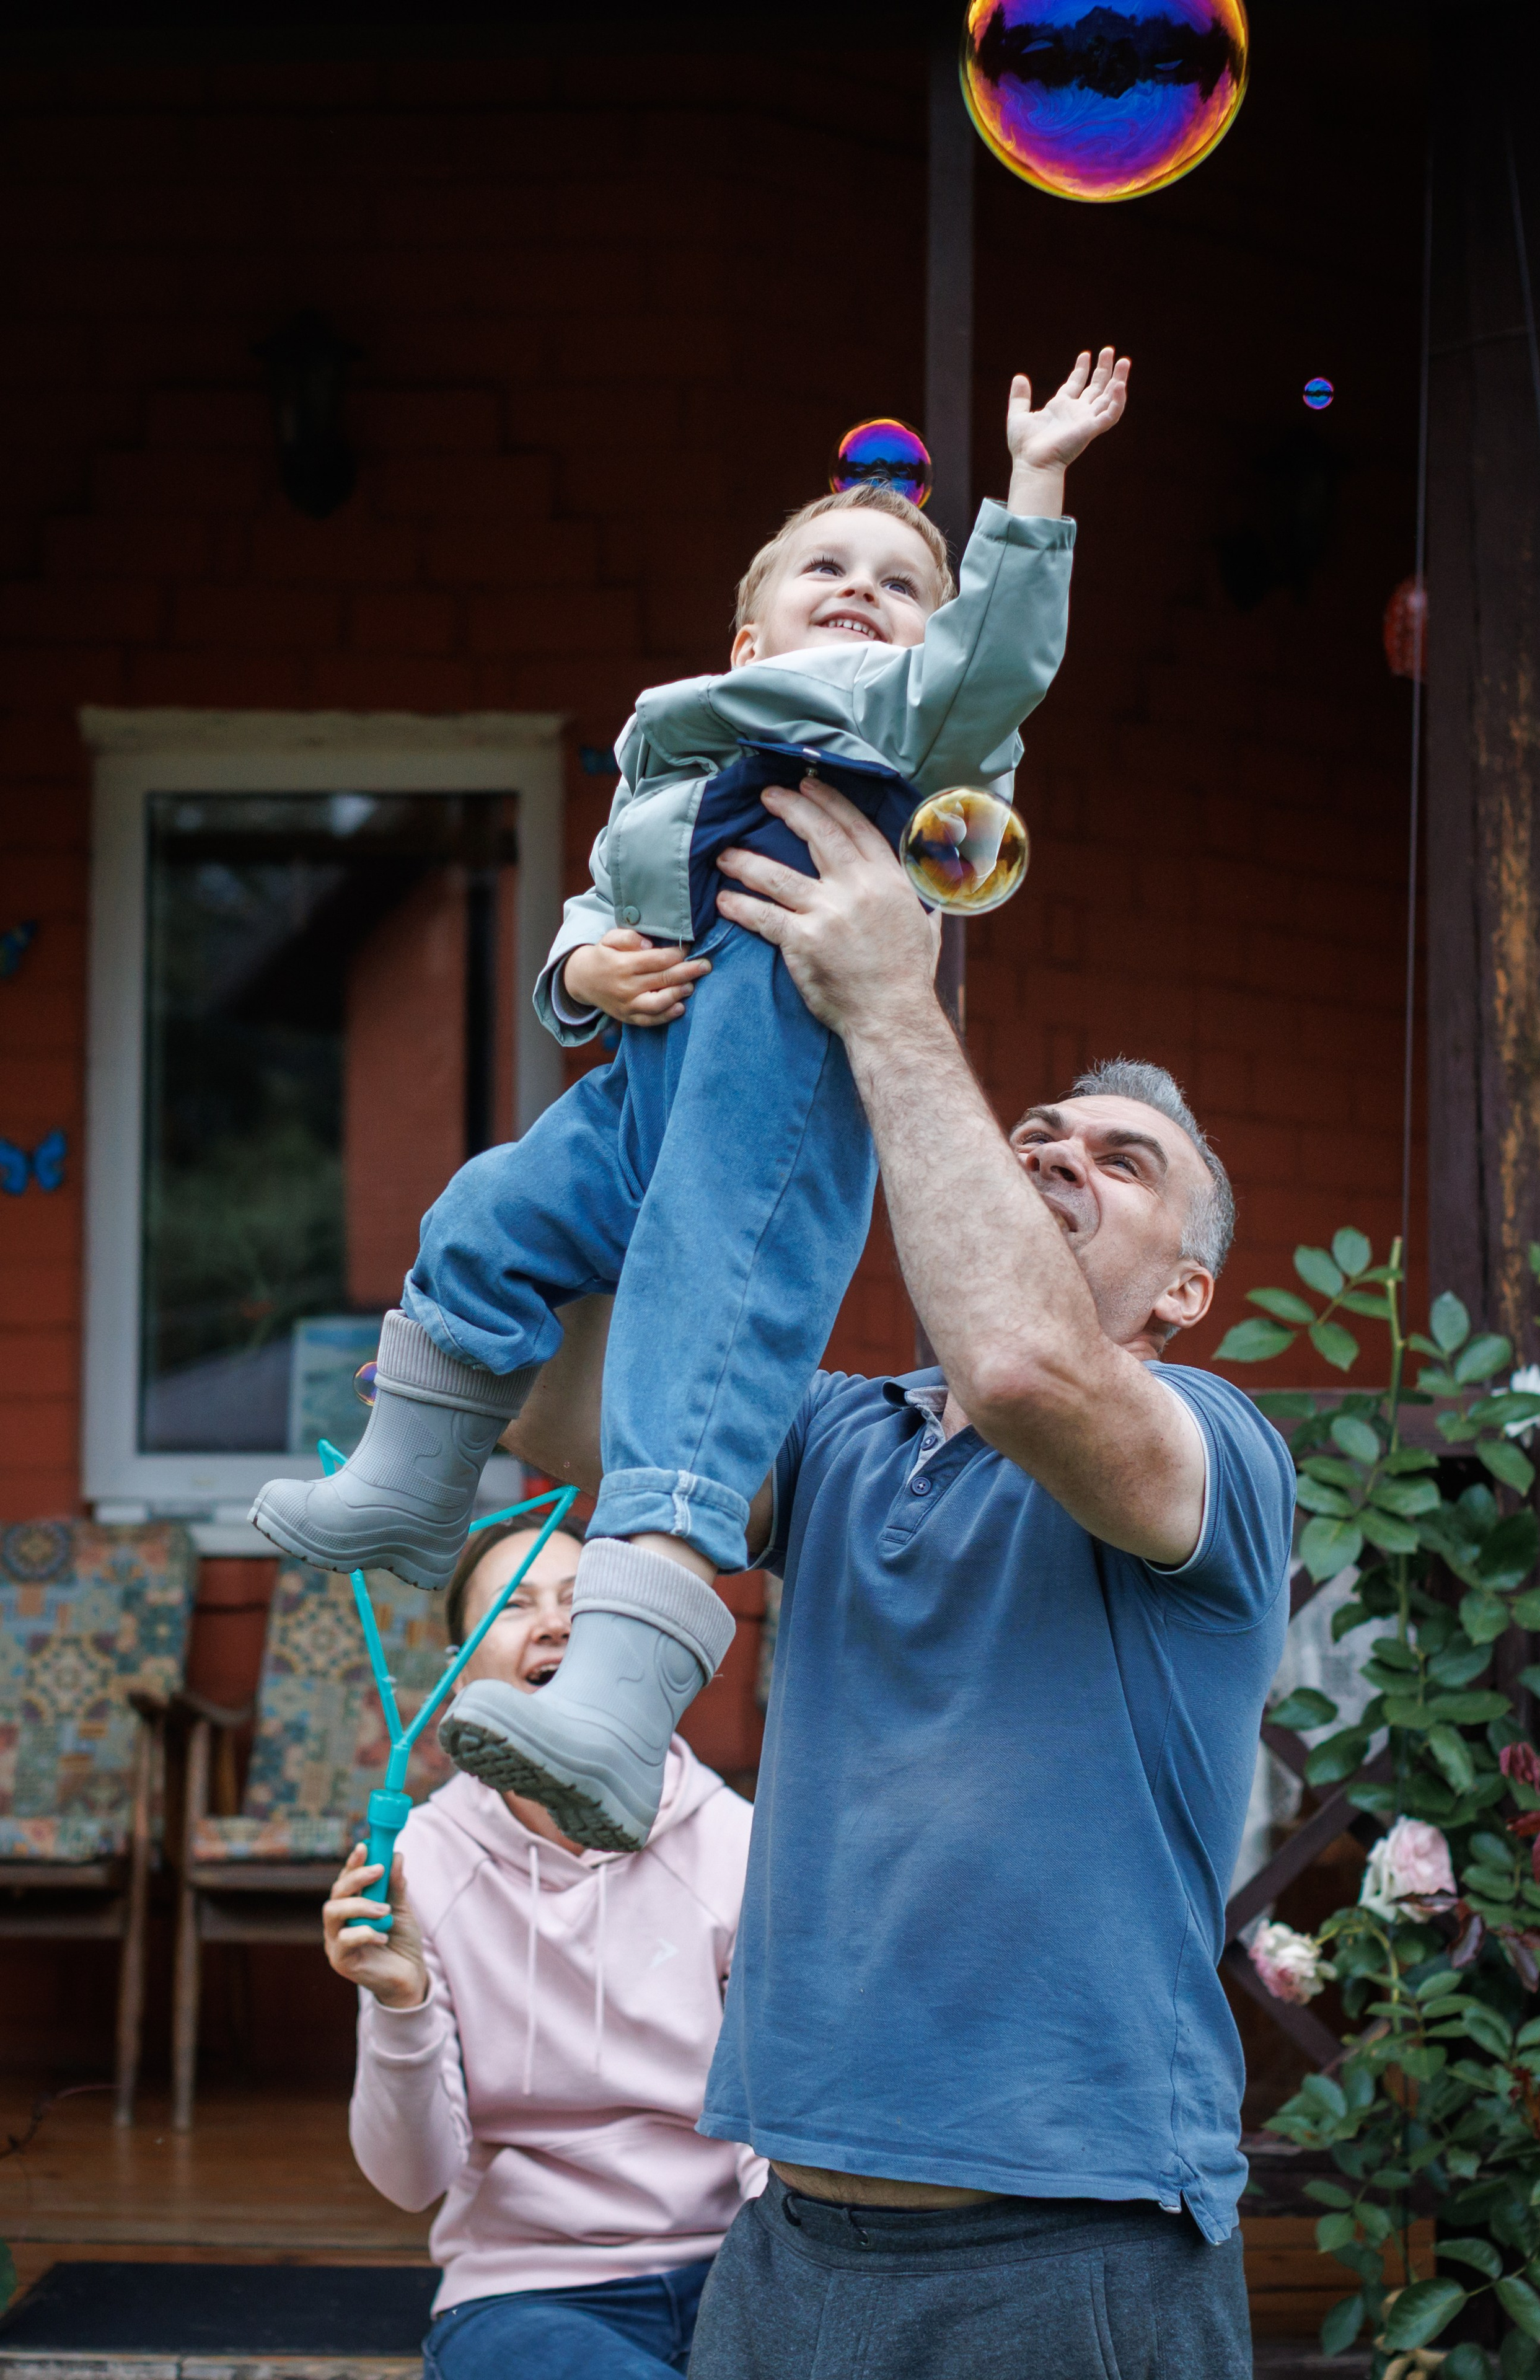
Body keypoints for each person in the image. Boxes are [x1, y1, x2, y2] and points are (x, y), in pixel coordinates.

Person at [250, 347, 1132, 1858]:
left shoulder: (900, 733)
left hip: (762, 1104)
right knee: (478, 1210)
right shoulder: (674, 749)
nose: (861, 588)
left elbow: (997, 663)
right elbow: (590, 907)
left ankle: (613, 1706)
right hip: (634, 1093)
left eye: (902, 581)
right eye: (823, 567)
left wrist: (1031, 486)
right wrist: (583, 973)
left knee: (691, 1345)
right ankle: (407, 1485)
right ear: (745, 631)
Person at [501, 779, 1296, 2379]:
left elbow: (1021, 1367)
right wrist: (668, 1066)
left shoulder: (1218, 1453)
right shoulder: (841, 1440)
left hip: (1071, 2259)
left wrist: (891, 1005)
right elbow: (557, 1408)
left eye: (1123, 1163)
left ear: (1190, 1290)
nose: (1063, 1152)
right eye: (1040, 1138)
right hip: (787, 2244)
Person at [322, 1514, 761, 2380]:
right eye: (514, 1607)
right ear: (460, 1682)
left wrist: (772, 2299)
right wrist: (399, 2002)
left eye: (581, 1604)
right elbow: (411, 2182)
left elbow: (774, 2138)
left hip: (736, 2269)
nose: (556, 1623)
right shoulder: (420, 1868)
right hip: (529, 2293)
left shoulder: (738, 1844)